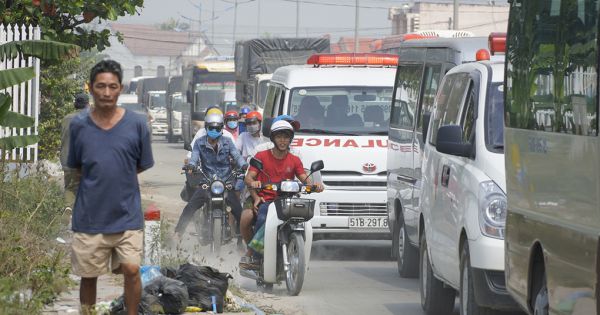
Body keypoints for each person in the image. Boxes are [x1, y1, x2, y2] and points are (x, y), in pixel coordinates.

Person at [67, 60, 154, 315]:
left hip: (127, 215)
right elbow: (78, 166)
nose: (107, 93)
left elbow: (139, 165)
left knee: (132, 269)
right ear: (91, 88)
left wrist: (118, 174)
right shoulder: (78, 126)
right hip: (89, 217)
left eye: (112, 87)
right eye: (101, 86)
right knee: (89, 276)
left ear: (121, 88)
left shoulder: (137, 125)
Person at [240, 120, 323, 268]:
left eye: (286, 137)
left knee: (301, 222)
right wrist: (254, 183)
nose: (283, 140)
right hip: (266, 200)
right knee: (262, 219)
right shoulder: (261, 156)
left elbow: (304, 178)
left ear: (290, 138)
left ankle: (298, 253)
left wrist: (314, 185)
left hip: (286, 201)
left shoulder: (295, 160)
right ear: (273, 138)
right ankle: (257, 257)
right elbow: (249, 176)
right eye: (279, 137)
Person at [174, 111, 248, 242]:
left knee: (239, 211)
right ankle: (177, 234)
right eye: (211, 128)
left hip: (225, 181)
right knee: (191, 206)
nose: (214, 130)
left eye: (217, 128)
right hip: (206, 181)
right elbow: (194, 157)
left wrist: (243, 165)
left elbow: (236, 156)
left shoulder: (228, 141)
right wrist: (191, 166)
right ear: (206, 128)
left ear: (221, 129)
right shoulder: (199, 142)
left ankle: (246, 241)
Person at [60, 92, 89, 208]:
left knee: (70, 187)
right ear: (87, 105)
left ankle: (68, 207)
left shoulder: (66, 119)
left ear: (75, 105)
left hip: (67, 160)